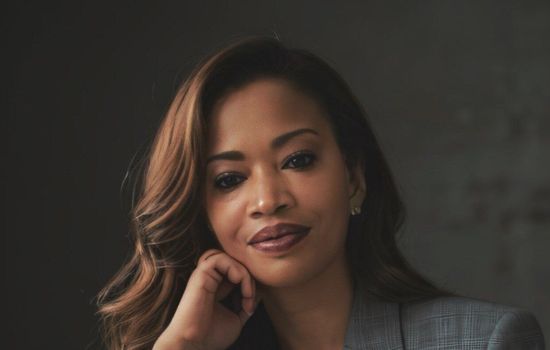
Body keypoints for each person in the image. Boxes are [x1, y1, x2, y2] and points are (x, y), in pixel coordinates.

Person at [96, 37, 546, 350]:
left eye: (297, 160)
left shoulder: (486, 340)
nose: (268, 200)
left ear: (353, 176)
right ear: (200, 210)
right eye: (229, 180)